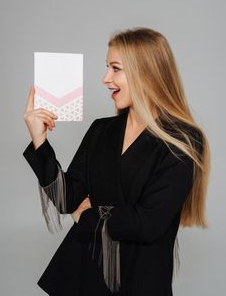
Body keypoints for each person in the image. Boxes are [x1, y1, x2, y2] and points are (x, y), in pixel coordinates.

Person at [23, 27, 211, 296]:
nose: (105, 78)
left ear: (145, 72)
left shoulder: (183, 139)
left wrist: (87, 215)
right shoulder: (102, 129)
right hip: (81, 277)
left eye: (115, 68)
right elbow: (66, 200)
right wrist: (39, 141)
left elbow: (148, 224)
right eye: (106, 68)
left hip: (140, 282)